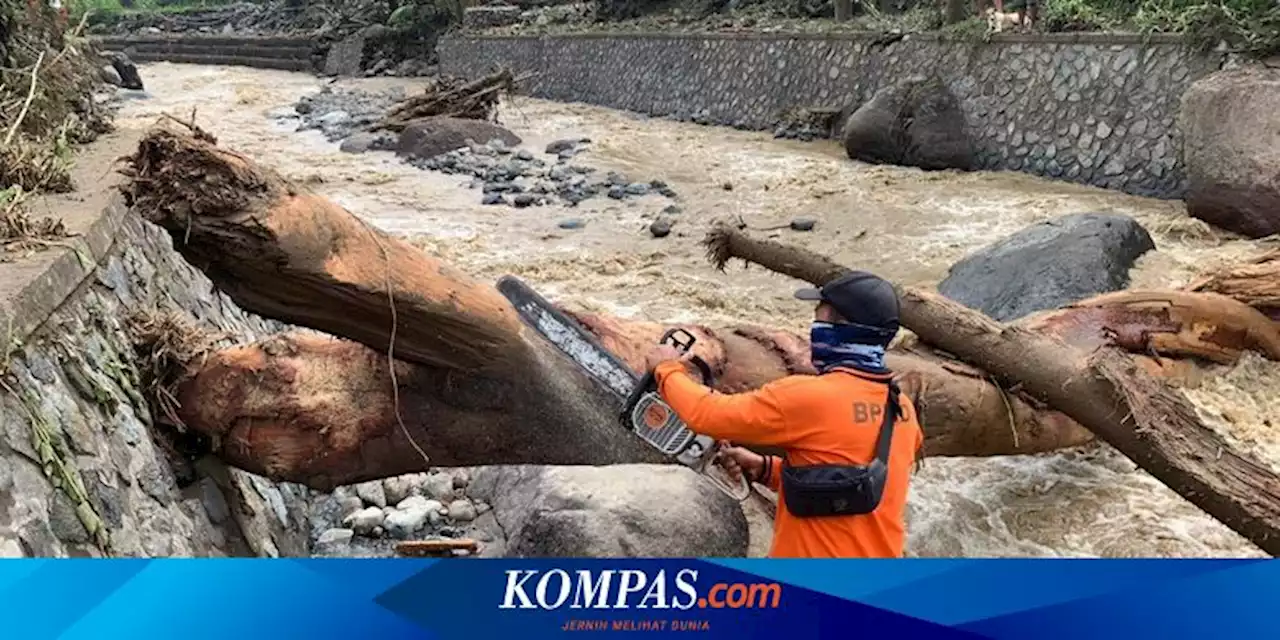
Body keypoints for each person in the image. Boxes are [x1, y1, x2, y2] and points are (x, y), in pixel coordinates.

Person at [643, 271, 923, 558]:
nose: (814, 328)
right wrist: (765, 469)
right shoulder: (901, 408)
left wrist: (667, 369)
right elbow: (855, 486)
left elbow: (707, 414)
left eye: (821, 318)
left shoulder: (809, 397)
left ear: (843, 328)